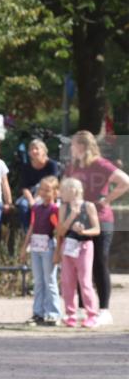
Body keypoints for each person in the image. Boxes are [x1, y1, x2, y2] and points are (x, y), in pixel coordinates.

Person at [66, 130, 129, 326]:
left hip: (100, 219)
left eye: (74, 144)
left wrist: (107, 199)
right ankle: (83, 309)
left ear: (82, 146)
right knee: (78, 264)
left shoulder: (100, 164)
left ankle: (104, 310)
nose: (71, 148)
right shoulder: (72, 166)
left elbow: (125, 181)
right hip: (78, 220)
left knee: (99, 263)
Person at [55, 177, 101, 328]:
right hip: (68, 246)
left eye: (63, 190)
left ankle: (92, 315)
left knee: (85, 281)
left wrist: (83, 231)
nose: (61, 193)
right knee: (67, 282)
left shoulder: (89, 206)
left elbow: (97, 229)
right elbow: (61, 231)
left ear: (73, 190)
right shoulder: (64, 207)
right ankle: (71, 314)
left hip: (84, 246)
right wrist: (72, 216)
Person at [19, 176, 61, 326]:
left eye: (47, 190)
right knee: (38, 281)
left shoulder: (55, 209)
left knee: (50, 280)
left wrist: (57, 252)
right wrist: (24, 247)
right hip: (36, 247)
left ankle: (54, 313)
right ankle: (38, 313)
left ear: (55, 192)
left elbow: (59, 231)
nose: (43, 193)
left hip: (48, 246)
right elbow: (32, 227)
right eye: (41, 189)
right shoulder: (36, 208)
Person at [15, 139, 62, 230]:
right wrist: (31, 200)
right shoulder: (26, 167)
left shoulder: (52, 165)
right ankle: (27, 231)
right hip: (31, 194)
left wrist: (38, 198)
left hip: (47, 193)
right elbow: (24, 187)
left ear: (44, 150)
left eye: (36, 148)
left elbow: (53, 183)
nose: (34, 151)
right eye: (31, 149)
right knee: (23, 205)